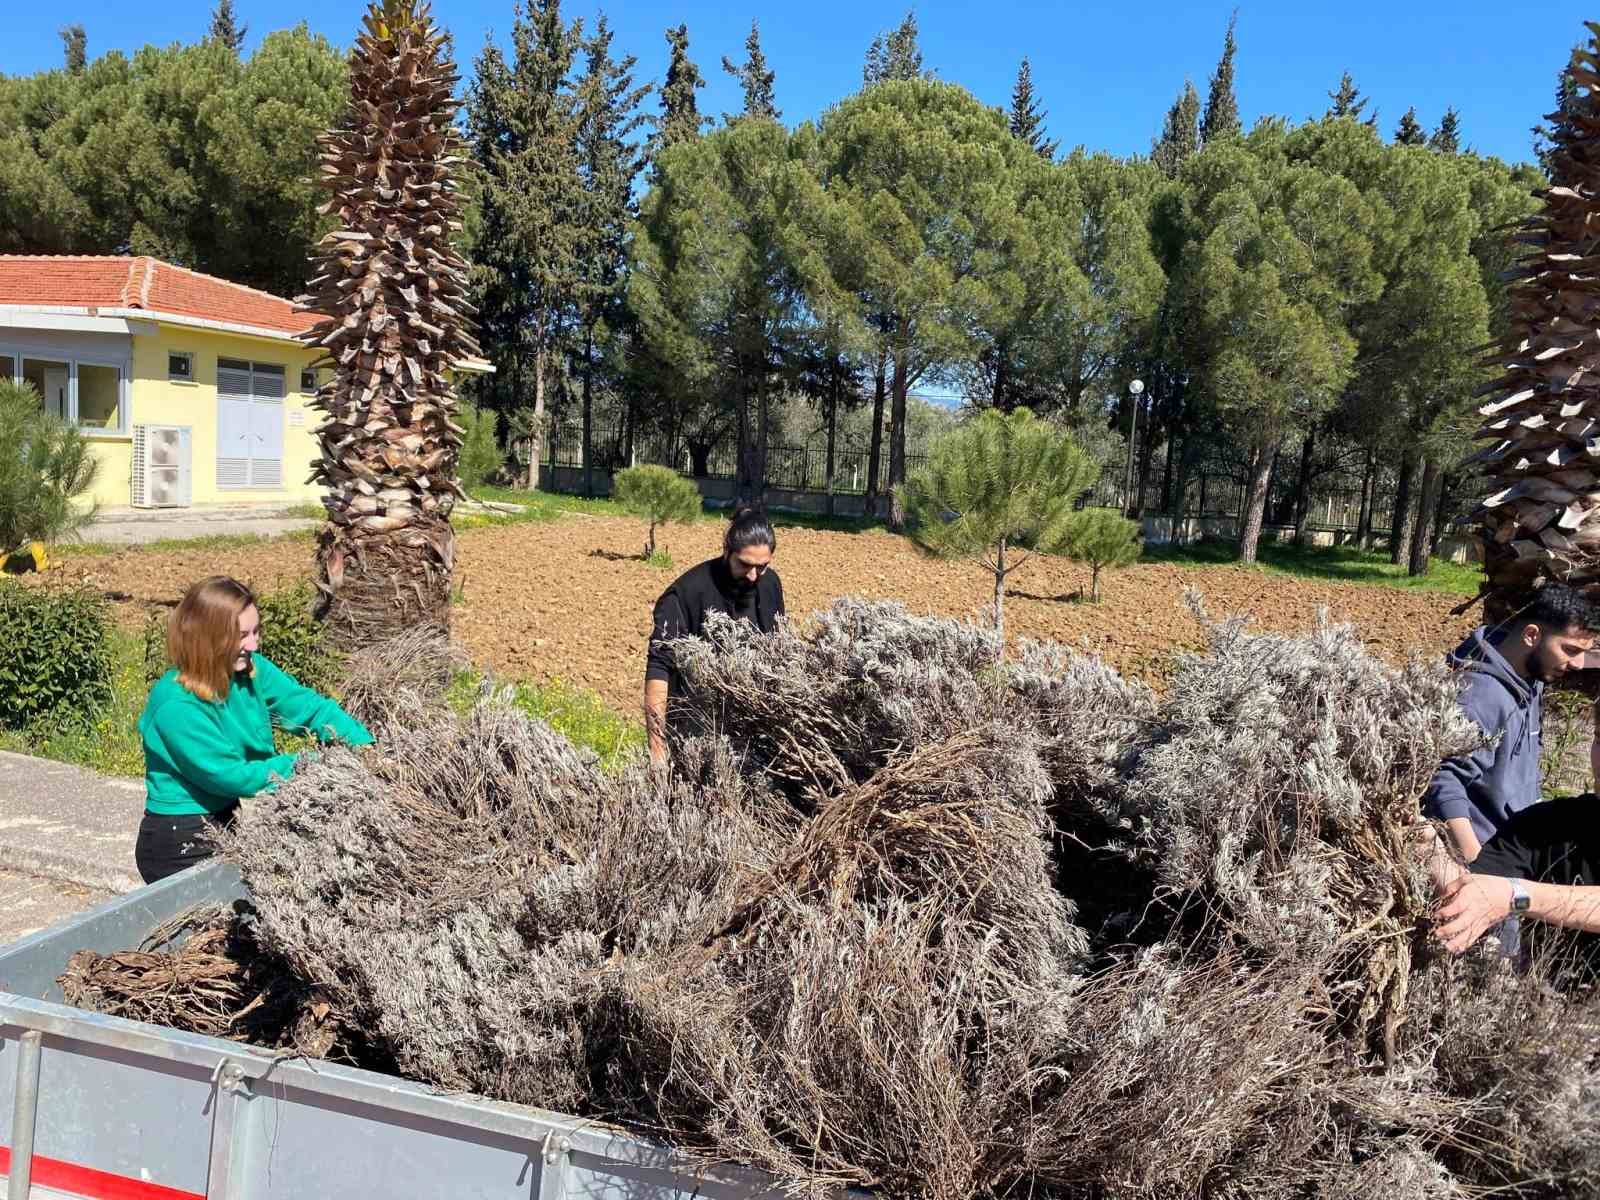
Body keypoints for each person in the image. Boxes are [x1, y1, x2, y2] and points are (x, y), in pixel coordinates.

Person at [135, 575, 373, 884]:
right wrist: (317, 764)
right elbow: (232, 776)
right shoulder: (176, 705)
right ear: (206, 637)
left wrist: (365, 747)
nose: (253, 644)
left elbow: (310, 709)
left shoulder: (250, 671)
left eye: (256, 631)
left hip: (225, 819)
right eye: (241, 635)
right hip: (177, 839)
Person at [1421, 584, 1600, 863]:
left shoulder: (1531, 676)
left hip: (1519, 843)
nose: (1578, 663)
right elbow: (1442, 780)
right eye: (1570, 649)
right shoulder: (1480, 695)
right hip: (1492, 853)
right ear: (1531, 635)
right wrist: (1477, 866)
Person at [644, 506, 785, 762]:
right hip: (696, 732)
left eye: (762, 567)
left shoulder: (770, 584)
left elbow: (778, 651)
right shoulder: (685, 594)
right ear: (726, 551)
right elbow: (659, 669)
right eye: (745, 565)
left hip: (754, 730)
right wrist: (657, 750)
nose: (753, 576)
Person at [1431, 795, 1600, 957]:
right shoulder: (1540, 823)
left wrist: (1516, 897)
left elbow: (1507, 896)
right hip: (1541, 976)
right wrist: (1432, 851)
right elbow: (1478, 891)